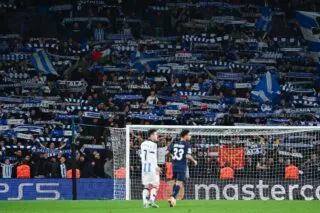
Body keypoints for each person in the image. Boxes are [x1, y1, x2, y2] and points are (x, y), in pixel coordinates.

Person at [167, 130, 197, 207]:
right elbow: (187, 156)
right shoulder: (187, 145)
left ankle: (173, 199)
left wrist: (173, 157)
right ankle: (172, 197)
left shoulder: (174, 143)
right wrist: (194, 161)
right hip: (182, 166)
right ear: (185, 135)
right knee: (179, 183)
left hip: (174, 165)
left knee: (176, 182)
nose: (190, 137)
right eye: (189, 135)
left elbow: (167, 153)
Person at [140, 129, 161, 208]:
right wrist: (156, 167)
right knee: (156, 186)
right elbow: (153, 157)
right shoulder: (154, 145)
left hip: (144, 167)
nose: (157, 136)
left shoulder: (143, 144)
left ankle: (145, 201)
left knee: (146, 186)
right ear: (151, 135)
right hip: (152, 167)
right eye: (156, 134)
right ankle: (152, 200)